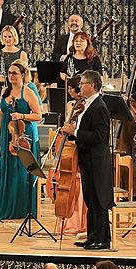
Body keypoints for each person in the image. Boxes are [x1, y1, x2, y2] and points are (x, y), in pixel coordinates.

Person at [61, 70, 113, 250]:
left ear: (92, 85)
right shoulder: (88, 104)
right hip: (88, 159)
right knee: (90, 200)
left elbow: (99, 136)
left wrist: (74, 132)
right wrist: (73, 133)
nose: (80, 87)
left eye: (82, 83)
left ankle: (102, 239)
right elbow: (86, 132)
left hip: (97, 161)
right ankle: (92, 237)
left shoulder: (99, 106)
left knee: (99, 200)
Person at [0, 60, 42, 220]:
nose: (11, 76)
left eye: (15, 73)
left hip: (23, 136)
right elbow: (1, 114)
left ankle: (23, 209)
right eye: (9, 73)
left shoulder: (28, 92)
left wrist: (21, 116)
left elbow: (38, 115)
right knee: (7, 171)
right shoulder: (5, 92)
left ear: (22, 75)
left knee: (22, 172)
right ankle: (7, 208)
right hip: (7, 135)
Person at [53, 76, 87, 236]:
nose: (68, 91)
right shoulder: (72, 105)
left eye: (70, 88)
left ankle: (78, 221)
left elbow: (78, 127)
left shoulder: (83, 106)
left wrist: (71, 128)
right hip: (70, 145)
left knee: (78, 182)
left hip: (77, 146)